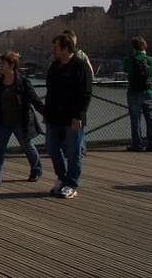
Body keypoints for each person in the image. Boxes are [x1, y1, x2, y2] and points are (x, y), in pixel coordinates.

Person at [0, 51, 45, 186]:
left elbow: (35, 100)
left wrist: (47, 113)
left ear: (12, 65)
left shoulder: (23, 82)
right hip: (3, 121)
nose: (0, 66)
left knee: (27, 147)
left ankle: (36, 170)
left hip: (20, 121)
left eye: (3, 64)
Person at [44, 34, 92, 199]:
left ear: (65, 48)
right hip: (54, 116)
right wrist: (47, 113)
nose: (53, 50)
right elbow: (50, 91)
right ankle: (62, 177)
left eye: (56, 47)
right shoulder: (55, 66)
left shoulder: (81, 66)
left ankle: (71, 183)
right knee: (51, 147)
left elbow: (85, 93)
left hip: (73, 117)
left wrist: (79, 115)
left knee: (73, 152)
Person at [123, 36, 152, 152]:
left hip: (133, 92)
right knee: (151, 118)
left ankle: (137, 144)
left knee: (135, 120)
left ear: (133, 47)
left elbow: (126, 70)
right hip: (149, 92)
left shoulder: (129, 60)